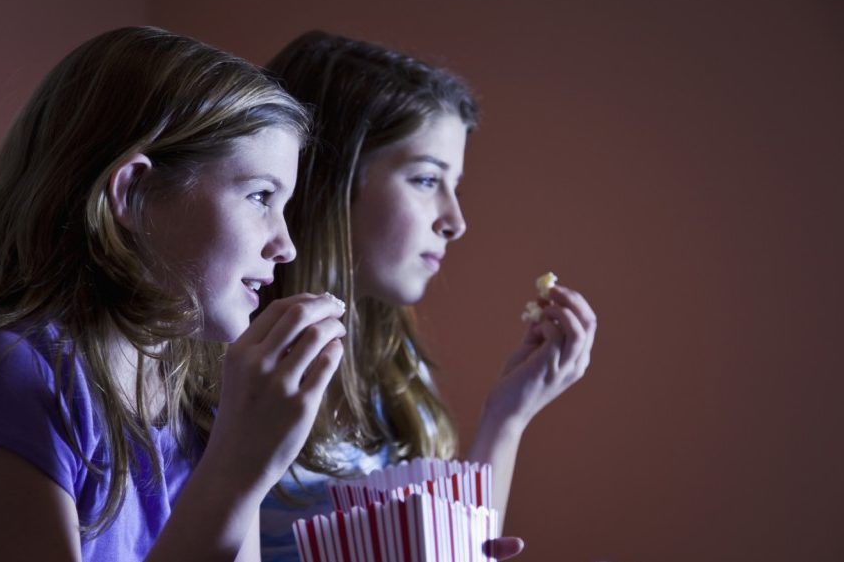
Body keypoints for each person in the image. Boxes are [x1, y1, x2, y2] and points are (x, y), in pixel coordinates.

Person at [0, 26, 347, 561]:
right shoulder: (3, 374)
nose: (284, 246)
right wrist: (237, 469)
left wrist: (243, 459)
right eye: (260, 195)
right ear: (133, 192)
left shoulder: (188, 379)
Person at [256, 31, 598, 561]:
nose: (455, 221)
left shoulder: (395, 363)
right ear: (329, 178)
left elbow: (456, 552)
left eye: (454, 185)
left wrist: (508, 416)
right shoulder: (234, 363)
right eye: (424, 179)